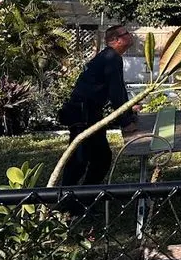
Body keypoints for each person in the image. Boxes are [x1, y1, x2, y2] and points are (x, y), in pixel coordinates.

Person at [58, 25, 141, 197]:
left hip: (90, 113)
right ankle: (65, 200)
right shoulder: (111, 58)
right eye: (125, 33)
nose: (129, 35)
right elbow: (116, 92)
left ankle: (83, 198)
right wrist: (126, 122)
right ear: (114, 40)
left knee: (101, 158)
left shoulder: (109, 57)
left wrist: (128, 107)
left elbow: (117, 90)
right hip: (82, 113)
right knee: (79, 159)